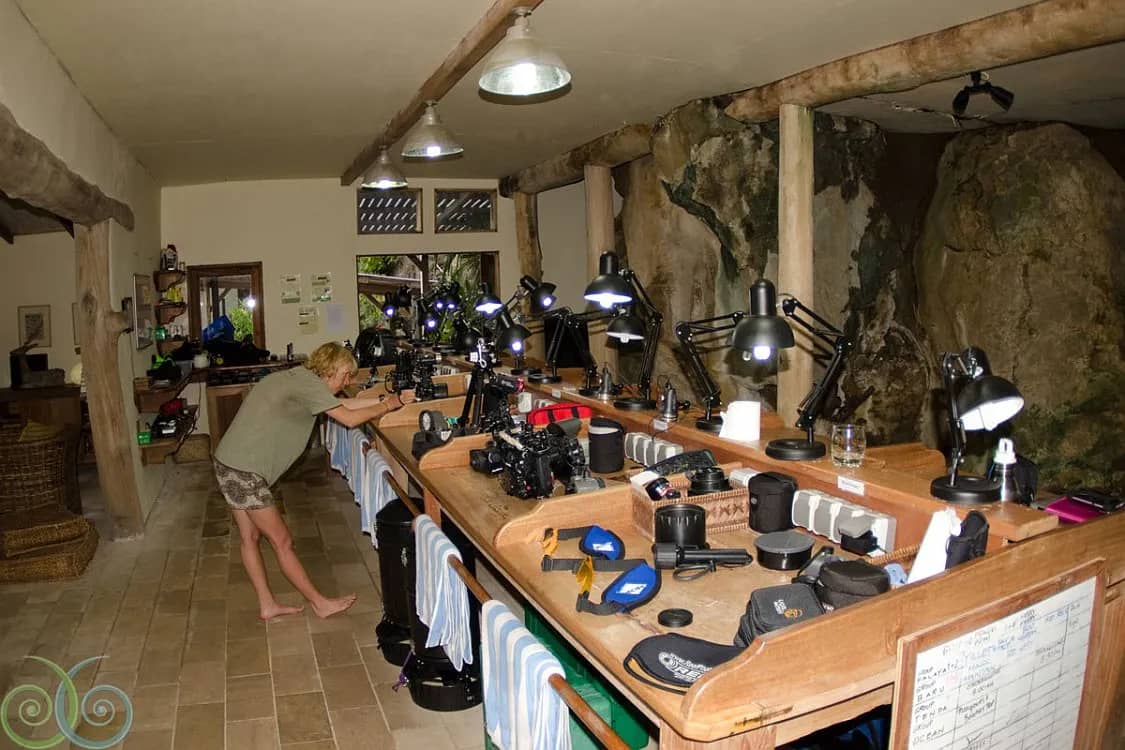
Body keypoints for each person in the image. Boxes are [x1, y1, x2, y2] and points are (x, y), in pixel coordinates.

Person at [212, 341, 414, 620]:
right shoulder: (308, 387)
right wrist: (386, 406)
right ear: (329, 370)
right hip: (243, 472)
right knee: (281, 540)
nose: (347, 382)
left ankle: (267, 605)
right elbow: (349, 418)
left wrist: (389, 402)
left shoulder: (302, 379)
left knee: (250, 537)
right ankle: (319, 603)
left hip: (228, 460)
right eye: (345, 375)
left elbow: (343, 403)